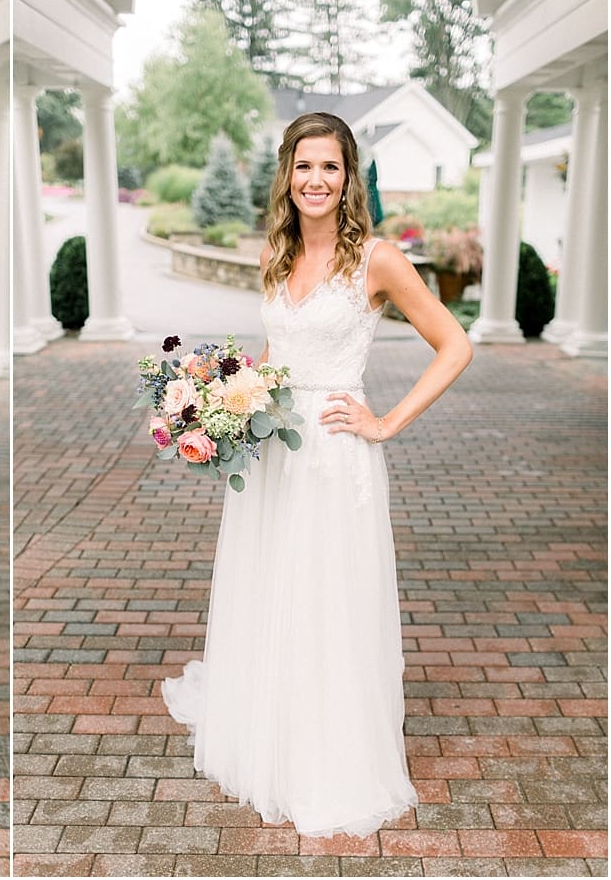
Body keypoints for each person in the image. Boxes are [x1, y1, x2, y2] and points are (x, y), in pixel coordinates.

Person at [162, 112, 472, 837]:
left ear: (348, 177)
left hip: (335, 453)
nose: (316, 179)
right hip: (275, 451)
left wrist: (386, 421)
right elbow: (279, 352)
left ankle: (327, 755)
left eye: (330, 166)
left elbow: (455, 344)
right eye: (304, 165)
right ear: (287, 174)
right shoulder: (277, 252)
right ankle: (271, 731)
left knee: (328, 596)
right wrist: (224, 403)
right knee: (275, 587)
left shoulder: (378, 261)